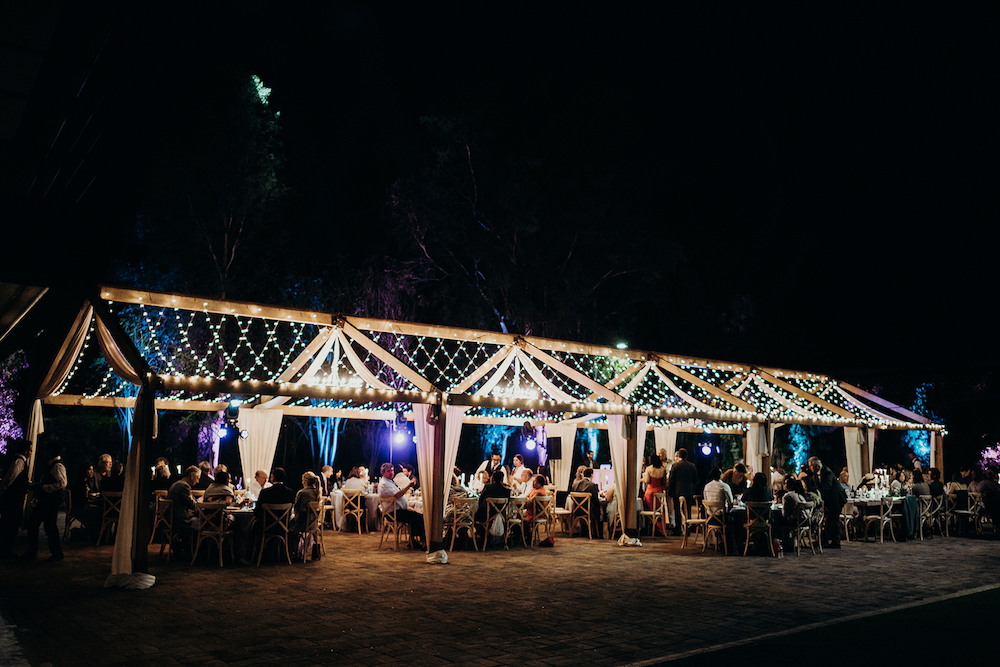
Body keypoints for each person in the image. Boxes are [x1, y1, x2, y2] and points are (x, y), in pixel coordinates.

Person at [20, 445, 67, 562]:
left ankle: (35, 552)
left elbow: (62, 483)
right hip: (48, 501)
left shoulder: (57, 466)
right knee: (48, 526)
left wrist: (44, 487)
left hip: (49, 501)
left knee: (37, 525)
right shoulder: (54, 465)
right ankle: (54, 552)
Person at [377, 462, 424, 548]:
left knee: (416, 514)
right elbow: (397, 495)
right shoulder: (385, 484)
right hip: (393, 513)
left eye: (392, 470)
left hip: (397, 510)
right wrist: (408, 486)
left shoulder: (390, 482)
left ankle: (413, 541)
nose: (391, 472)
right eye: (388, 471)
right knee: (418, 517)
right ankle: (420, 541)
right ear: (383, 473)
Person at [0, 438, 31, 558]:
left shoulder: (17, 460)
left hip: (12, 498)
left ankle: (5, 548)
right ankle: (6, 549)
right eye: (30, 450)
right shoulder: (19, 462)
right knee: (11, 524)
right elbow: (9, 479)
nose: (31, 452)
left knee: (9, 523)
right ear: (25, 450)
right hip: (12, 499)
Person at [809, 456, 847, 549]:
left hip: (836, 498)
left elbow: (827, 486)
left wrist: (820, 496)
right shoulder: (817, 474)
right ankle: (834, 541)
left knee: (832, 520)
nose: (810, 468)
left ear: (816, 466)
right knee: (834, 520)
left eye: (811, 466)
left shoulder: (827, 472)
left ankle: (827, 541)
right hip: (831, 499)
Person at [167, 466, 202, 546]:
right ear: (192, 476)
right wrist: (200, 500)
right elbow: (193, 506)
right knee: (204, 523)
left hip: (172, 519)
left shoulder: (178, 484)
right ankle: (196, 552)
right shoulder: (184, 486)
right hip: (181, 522)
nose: (198, 481)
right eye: (197, 478)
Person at [668, 448, 698, 536]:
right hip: (688, 491)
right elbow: (695, 479)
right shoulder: (692, 466)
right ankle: (688, 530)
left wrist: (670, 491)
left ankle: (678, 530)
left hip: (677, 491)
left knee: (678, 510)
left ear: (679, 456)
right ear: (687, 456)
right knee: (688, 510)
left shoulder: (675, 466)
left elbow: (671, 480)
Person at [575, 468, 604, 538]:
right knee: (602, 509)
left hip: (577, 510)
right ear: (591, 475)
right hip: (590, 511)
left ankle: (584, 532)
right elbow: (595, 500)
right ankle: (599, 535)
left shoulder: (575, 484)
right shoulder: (592, 485)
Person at [642, 453, 667, 517]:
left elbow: (647, 480)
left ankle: (649, 523)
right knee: (659, 509)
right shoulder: (663, 469)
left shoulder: (649, 469)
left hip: (650, 492)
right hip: (659, 492)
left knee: (647, 508)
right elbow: (664, 482)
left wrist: (643, 478)